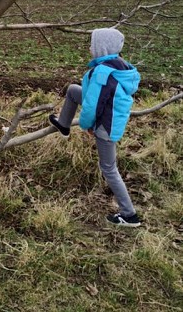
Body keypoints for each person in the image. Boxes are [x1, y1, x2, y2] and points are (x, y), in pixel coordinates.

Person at [48, 28, 142, 228]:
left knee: (109, 168)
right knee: (74, 91)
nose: (90, 48)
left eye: (92, 44)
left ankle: (129, 214)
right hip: (111, 116)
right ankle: (64, 125)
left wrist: (87, 125)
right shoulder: (120, 66)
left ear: (101, 47)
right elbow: (97, 98)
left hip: (106, 124)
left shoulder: (103, 73)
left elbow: (93, 105)